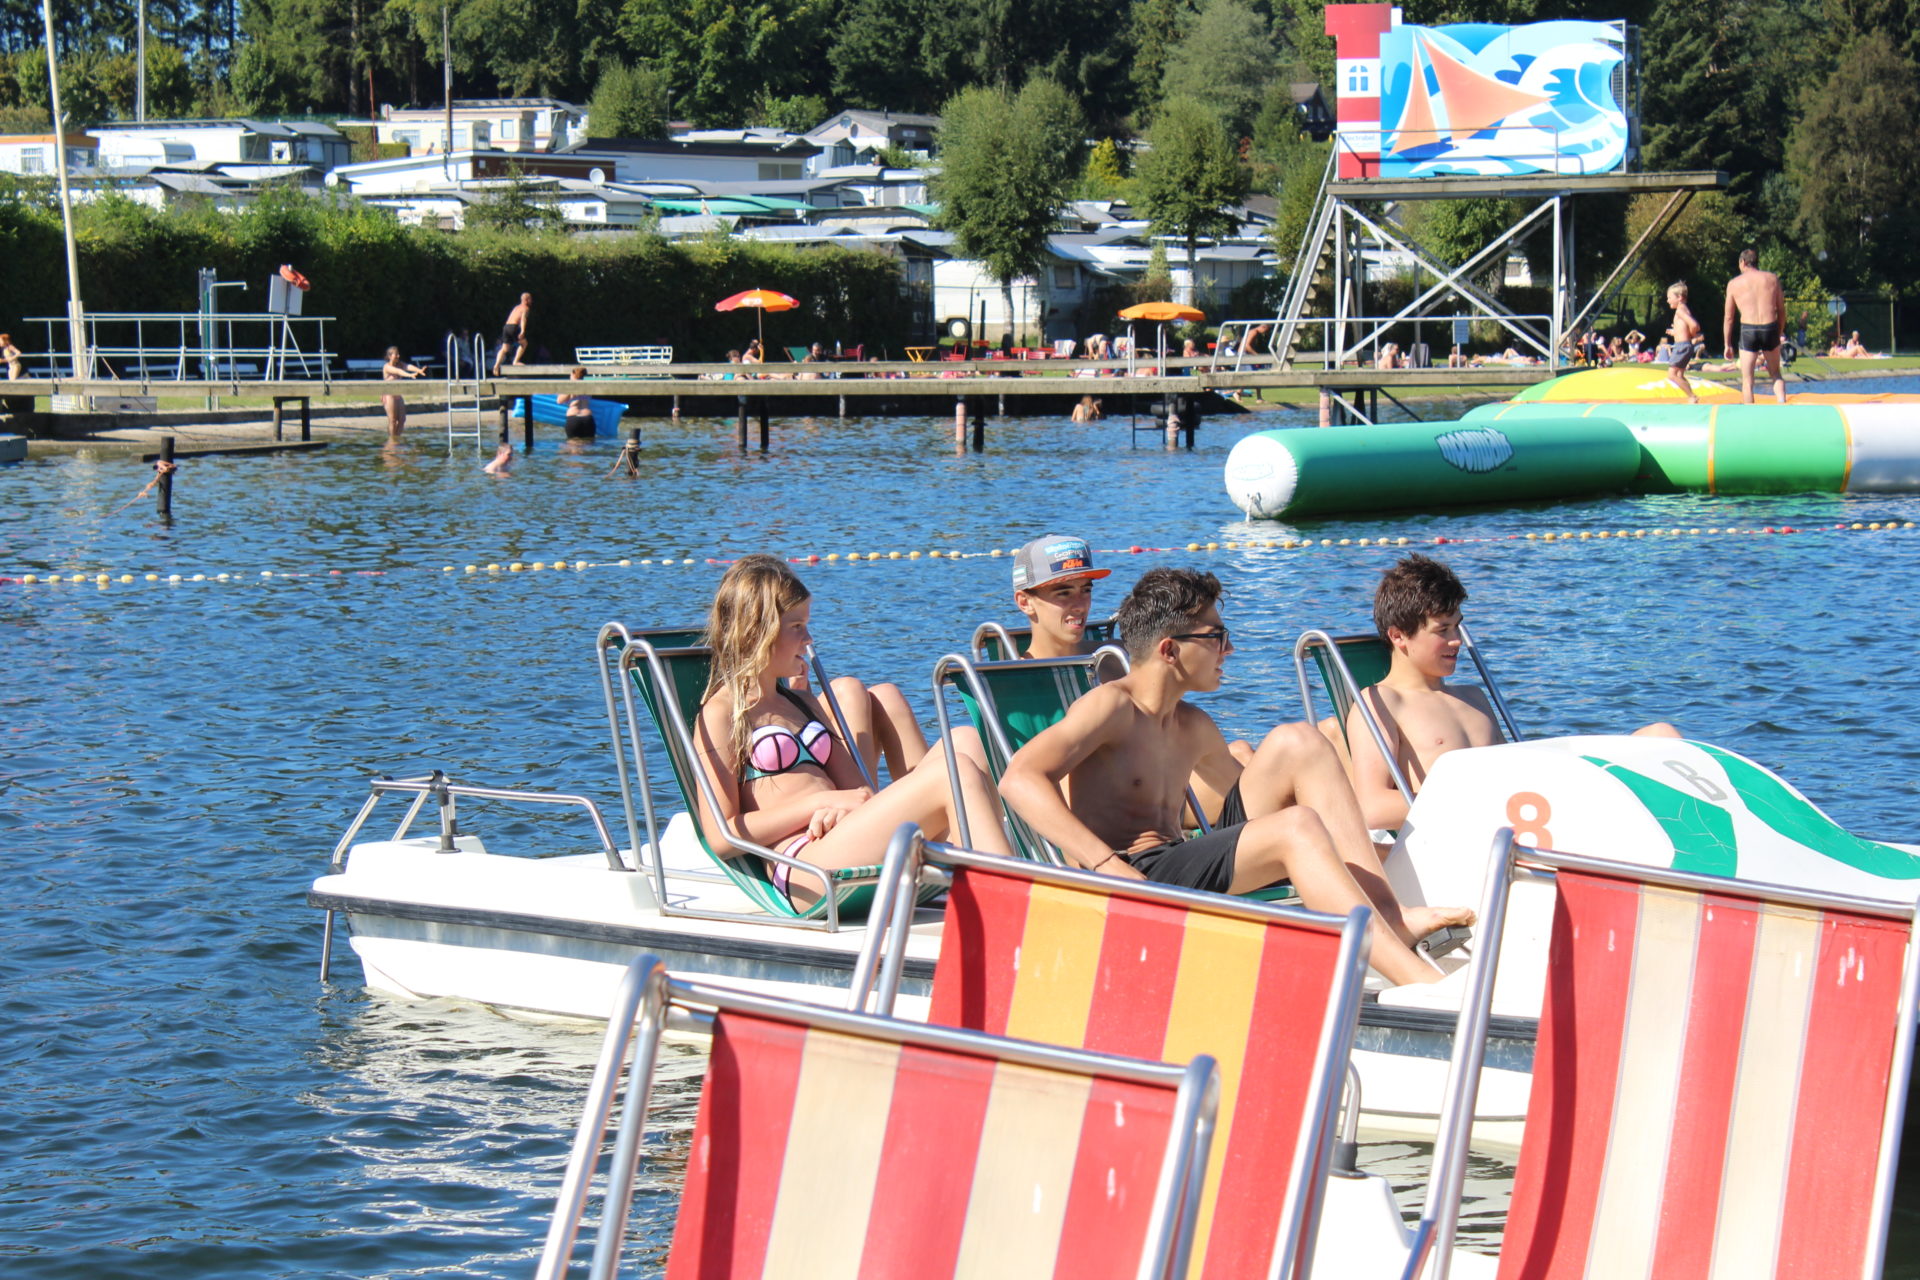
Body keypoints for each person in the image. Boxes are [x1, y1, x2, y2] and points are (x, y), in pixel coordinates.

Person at [997, 568, 1472, 986]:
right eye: (1216, 637)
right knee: (1298, 826)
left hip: (1182, 859)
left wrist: (1353, 845)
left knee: (1299, 740)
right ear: (1169, 650)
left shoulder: (1192, 724)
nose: (1230, 649)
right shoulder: (1111, 706)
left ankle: (1390, 917)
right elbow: (1019, 779)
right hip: (1135, 873)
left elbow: (1250, 803)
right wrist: (1107, 866)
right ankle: (1418, 982)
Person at [693, 555, 1011, 906]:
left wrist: (841, 807)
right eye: (796, 626)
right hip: (803, 866)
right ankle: (1009, 903)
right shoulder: (721, 714)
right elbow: (722, 836)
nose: (808, 639)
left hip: (841, 836)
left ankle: (986, 887)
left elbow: (859, 793)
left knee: (967, 741)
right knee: (954, 771)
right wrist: (819, 803)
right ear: (757, 630)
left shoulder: (802, 703)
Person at [1342, 554, 1680, 832]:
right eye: (1442, 630)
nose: (1456, 640)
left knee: (1660, 736)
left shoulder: (1472, 697)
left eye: (1457, 625)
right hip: (1470, 837)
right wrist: (1483, 802)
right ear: (1398, 636)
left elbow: (1514, 769)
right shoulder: (1382, 702)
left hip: (1525, 816)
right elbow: (1373, 807)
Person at [1722, 248, 1786, 403]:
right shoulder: (1772, 278)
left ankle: (1750, 411)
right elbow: (1781, 310)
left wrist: (1727, 344)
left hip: (1748, 329)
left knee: (1747, 380)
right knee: (1776, 374)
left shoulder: (1734, 284)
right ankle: (1782, 404)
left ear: (1743, 262)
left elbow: (1729, 318)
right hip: (1769, 326)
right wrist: (1779, 331)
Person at [1664, 281, 1704, 403]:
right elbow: (1686, 328)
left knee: (1672, 375)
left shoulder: (1680, 311)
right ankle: (1692, 397)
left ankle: (1692, 396)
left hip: (1681, 346)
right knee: (1679, 375)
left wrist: (1691, 335)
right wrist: (1676, 332)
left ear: (1679, 297)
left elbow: (1695, 325)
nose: (1668, 301)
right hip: (1684, 345)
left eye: (1670, 298)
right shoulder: (1684, 309)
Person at [380, 346, 425, 435]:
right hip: (389, 395)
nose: (398, 356)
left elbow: (408, 366)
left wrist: (418, 370)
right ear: (389, 356)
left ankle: (397, 438)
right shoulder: (387, 367)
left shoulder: (400, 364)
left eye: (398, 354)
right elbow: (398, 371)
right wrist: (409, 375)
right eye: (396, 354)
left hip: (398, 394)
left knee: (402, 419)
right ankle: (392, 439)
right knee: (392, 420)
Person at [492, 293, 532, 377]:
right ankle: (515, 361)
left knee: (504, 348)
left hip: (506, 327)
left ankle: (496, 364)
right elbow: (523, 319)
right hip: (514, 326)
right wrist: (522, 331)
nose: (531, 301)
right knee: (524, 344)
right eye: (530, 299)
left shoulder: (516, 307)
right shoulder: (525, 308)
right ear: (526, 300)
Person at [560, 366, 596, 438]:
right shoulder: (588, 386)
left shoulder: (568, 386)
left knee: (573, 443)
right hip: (587, 417)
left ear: (573, 374)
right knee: (588, 442)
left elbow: (559, 401)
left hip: (573, 417)